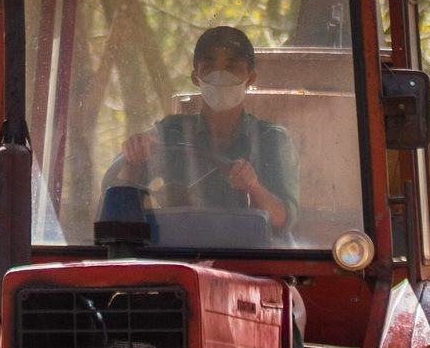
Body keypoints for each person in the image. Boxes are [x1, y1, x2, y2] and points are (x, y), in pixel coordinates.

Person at [103, 24, 299, 236]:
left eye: (231, 67)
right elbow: (118, 200)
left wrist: (253, 186)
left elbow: (282, 219)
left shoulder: (271, 139)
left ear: (250, 78)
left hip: (249, 255)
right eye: (210, 67)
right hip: (177, 252)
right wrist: (134, 155)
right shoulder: (170, 132)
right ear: (196, 77)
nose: (220, 75)